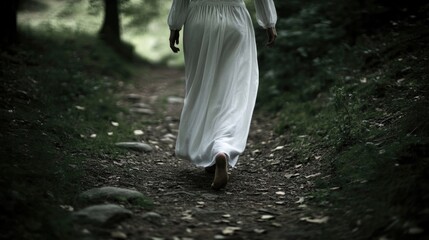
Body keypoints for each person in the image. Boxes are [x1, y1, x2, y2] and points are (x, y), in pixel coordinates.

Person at [168, 0, 277, 190]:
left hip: (198, 21)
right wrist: (269, 22)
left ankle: (211, 150)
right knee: (235, 90)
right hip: (235, 19)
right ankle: (222, 148)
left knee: (202, 88)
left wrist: (175, 25)